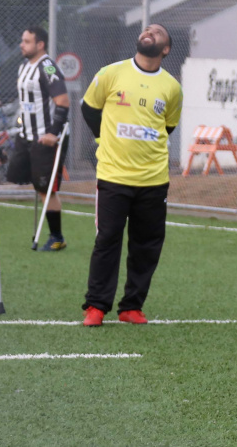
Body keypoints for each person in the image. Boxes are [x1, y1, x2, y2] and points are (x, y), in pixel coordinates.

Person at [80, 23, 182, 327]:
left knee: (147, 244)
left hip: (153, 180)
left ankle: (131, 306)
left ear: (165, 49)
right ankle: (96, 306)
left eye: (159, 32)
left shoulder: (172, 87)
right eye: (148, 28)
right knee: (108, 239)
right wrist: (103, 139)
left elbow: (169, 126)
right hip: (113, 176)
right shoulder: (111, 73)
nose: (150, 31)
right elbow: (89, 109)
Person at [6, 26, 70, 251]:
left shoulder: (48, 66)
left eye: (27, 41)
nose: (22, 45)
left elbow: (63, 102)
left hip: (46, 137)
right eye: (22, 41)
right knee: (14, 174)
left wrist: (53, 133)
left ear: (39, 44)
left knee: (45, 188)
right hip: (26, 135)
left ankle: (57, 237)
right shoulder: (25, 67)